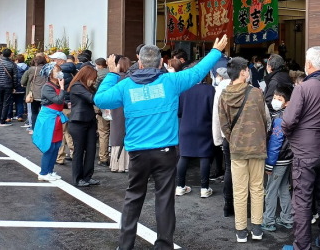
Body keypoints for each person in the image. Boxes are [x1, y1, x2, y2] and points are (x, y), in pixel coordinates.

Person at [94, 36, 228, 250]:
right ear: (160, 63)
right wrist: (215, 51)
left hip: (137, 152)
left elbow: (100, 99)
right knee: (164, 199)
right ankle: (164, 246)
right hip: (165, 151)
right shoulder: (170, 82)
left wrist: (111, 73)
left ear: (139, 63)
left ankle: (125, 245)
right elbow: (197, 72)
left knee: (133, 197)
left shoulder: (126, 85)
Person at [282, 46, 320, 250]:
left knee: (302, 200)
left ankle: (303, 245)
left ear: (309, 64)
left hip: (304, 151)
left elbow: (288, 121)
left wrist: (291, 135)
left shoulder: (303, 88)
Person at [218, 57, 271, 243]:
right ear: (242, 72)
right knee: (257, 188)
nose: (249, 72)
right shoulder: (256, 93)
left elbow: (224, 125)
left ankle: (241, 230)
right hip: (257, 147)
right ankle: (256, 228)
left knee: (239, 190)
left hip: (237, 149)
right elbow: (265, 120)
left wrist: (234, 139)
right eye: (247, 70)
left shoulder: (224, 95)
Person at [176, 64, 216, 198]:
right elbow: (213, 111)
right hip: (204, 126)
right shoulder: (210, 89)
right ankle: (204, 188)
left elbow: (179, 111)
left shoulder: (183, 89)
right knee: (204, 156)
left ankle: (180, 186)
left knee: (184, 156)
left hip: (186, 126)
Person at [262, 85, 294, 233]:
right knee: (284, 188)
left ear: (287, 102)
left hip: (278, 159)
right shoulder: (290, 114)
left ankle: (268, 220)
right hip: (288, 158)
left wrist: (269, 164)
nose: (275, 101)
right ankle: (287, 218)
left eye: (279, 99)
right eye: (274, 97)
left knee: (271, 190)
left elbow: (275, 143)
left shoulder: (279, 119)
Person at [32, 63, 68, 182]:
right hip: (48, 119)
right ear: (50, 74)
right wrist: (62, 88)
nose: (60, 73)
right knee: (49, 146)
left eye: (59, 70)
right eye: (56, 71)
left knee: (56, 145)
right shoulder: (47, 87)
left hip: (56, 118)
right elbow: (58, 100)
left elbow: (61, 101)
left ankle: (50, 171)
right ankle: (43, 172)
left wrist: (67, 104)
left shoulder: (56, 85)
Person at [68, 65, 99, 187]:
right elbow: (92, 99)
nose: (94, 81)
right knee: (79, 151)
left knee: (91, 150)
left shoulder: (87, 87)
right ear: (86, 76)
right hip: (78, 122)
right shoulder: (77, 86)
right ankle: (77, 178)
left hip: (89, 121)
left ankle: (87, 176)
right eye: (93, 78)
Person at [211, 66, 234, 216]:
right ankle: (245, 206)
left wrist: (217, 138)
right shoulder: (251, 89)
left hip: (226, 135)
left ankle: (228, 205)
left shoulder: (220, 89)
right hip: (247, 138)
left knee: (229, 168)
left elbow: (216, 115)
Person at [108, 57, 131, 173]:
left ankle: (116, 164)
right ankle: (126, 164)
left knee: (116, 135)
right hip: (128, 109)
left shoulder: (114, 78)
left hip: (115, 109)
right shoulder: (130, 79)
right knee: (128, 134)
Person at [22, 54, 48, 131]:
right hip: (46, 93)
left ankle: (34, 129)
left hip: (34, 94)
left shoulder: (32, 69)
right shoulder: (48, 69)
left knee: (34, 112)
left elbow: (23, 81)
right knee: (44, 112)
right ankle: (44, 129)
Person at [13, 54, 28, 122]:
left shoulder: (14, 67)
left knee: (13, 101)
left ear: (17, 60)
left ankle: (11, 115)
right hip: (23, 87)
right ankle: (20, 116)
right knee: (20, 102)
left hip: (15, 86)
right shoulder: (27, 67)